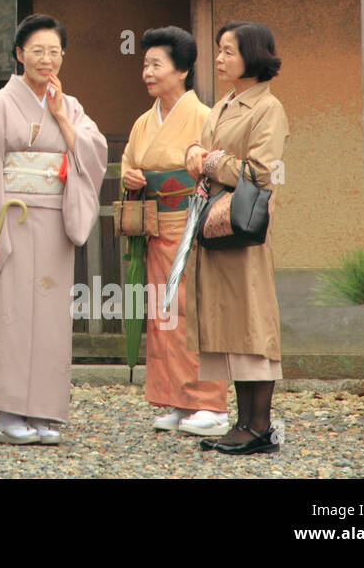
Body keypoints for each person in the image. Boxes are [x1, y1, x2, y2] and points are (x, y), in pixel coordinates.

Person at [0, 14, 107, 444]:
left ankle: (44, 413)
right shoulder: (0, 105)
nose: (46, 59)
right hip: (12, 220)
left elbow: (95, 152)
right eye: (37, 51)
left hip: (56, 222)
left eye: (54, 52)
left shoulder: (69, 105)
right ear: (20, 54)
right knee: (13, 315)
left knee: (52, 319)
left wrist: (61, 117)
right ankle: (8, 413)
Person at [184, 21, 289, 455]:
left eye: (228, 51)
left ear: (252, 55)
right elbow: (209, 156)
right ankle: (243, 422)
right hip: (214, 224)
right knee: (228, 322)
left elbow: (261, 172)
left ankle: (259, 425)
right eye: (219, 50)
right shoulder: (224, 104)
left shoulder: (269, 108)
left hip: (242, 227)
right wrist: (196, 155)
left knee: (250, 321)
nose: (220, 58)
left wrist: (206, 160)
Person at [120, 27, 230, 437]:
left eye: (156, 64)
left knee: (192, 313)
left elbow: (220, 169)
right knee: (162, 314)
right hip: (155, 229)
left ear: (182, 70)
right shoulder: (143, 122)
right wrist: (130, 176)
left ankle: (209, 402)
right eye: (145, 64)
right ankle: (175, 398)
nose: (147, 72)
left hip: (191, 227)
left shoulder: (205, 117)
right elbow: (130, 163)